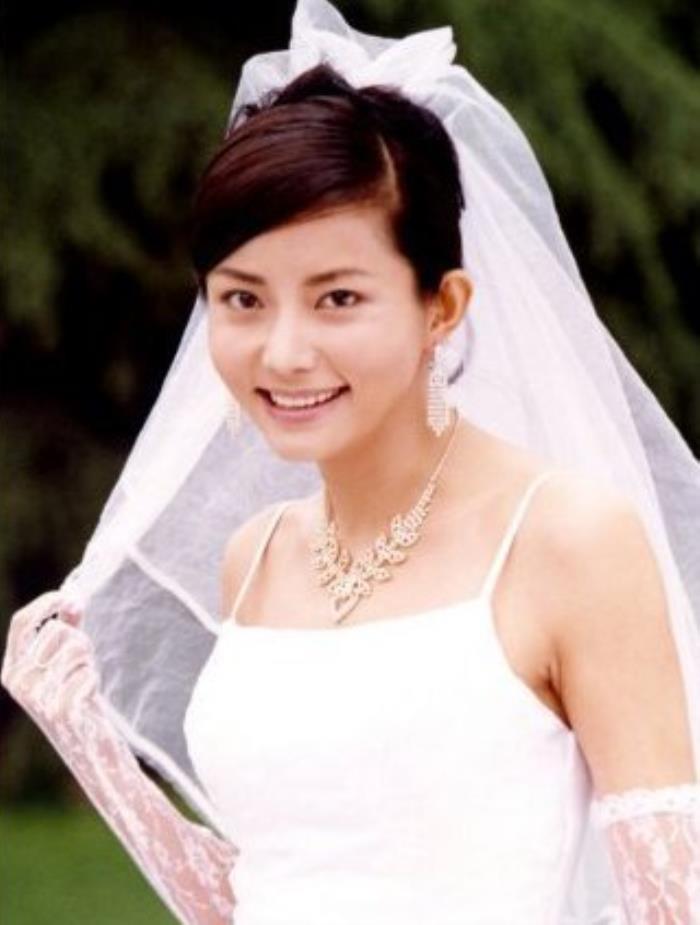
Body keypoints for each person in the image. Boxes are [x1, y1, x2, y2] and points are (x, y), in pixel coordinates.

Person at [3, 1, 700, 923]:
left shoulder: (569, 539)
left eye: (337, 298)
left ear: (442, 306)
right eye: (243, 299)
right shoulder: (257, 557)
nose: (284, 350)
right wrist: (98, 754)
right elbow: (264, 896)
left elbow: (672, 904)